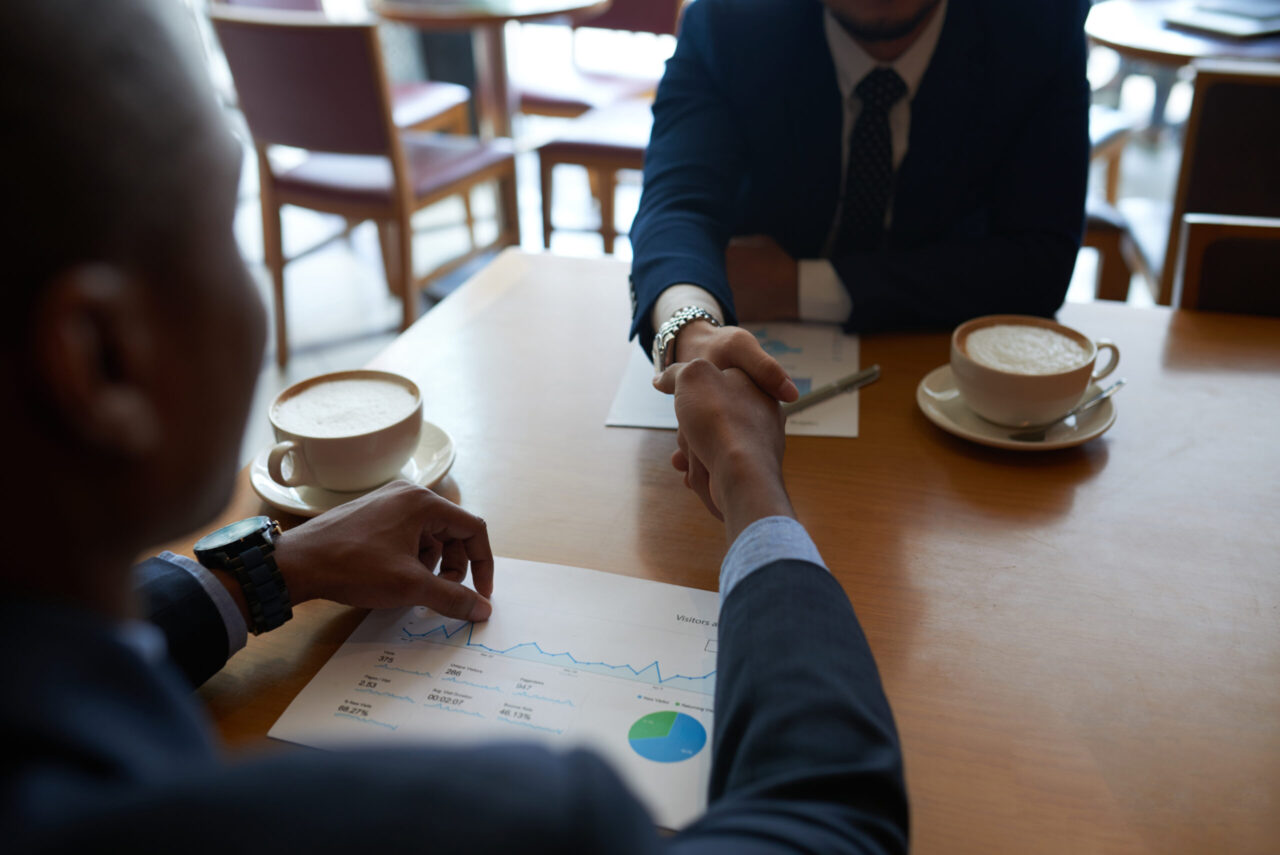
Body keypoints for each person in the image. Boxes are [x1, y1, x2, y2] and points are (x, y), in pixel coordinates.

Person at [1, 1, 907, 852]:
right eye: (224, 227)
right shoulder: (518, 822)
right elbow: (832, 813)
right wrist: (753, 489)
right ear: (101, 363)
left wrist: (269, 572)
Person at [631, 0, 1091, 403]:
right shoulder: (728, 22)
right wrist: (692, 329)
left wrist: (800, 287)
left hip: (945, 375)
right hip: (758, 351)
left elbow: (1041, 262)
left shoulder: (1040, 22)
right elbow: (676, 204)